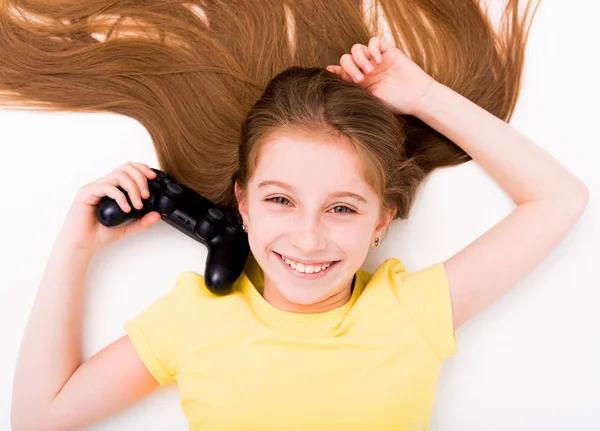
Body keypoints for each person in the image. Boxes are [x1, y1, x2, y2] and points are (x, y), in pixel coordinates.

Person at [9, 32, 589, 430]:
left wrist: (423, 97)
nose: (309, 239)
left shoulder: (411, 310)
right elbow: (39, 417)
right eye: (281, 200)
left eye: (342, 209)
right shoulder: (196, 316)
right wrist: (75, 248)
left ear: (381, 220)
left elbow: (559, 199)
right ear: (243, 204)